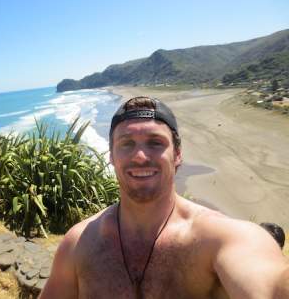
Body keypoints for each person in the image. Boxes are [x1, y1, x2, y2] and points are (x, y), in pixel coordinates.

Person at [39, 96, 289, 299]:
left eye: (155, 143)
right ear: (112, 157)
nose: (139, 156)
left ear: (177, 154)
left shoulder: (220, 238)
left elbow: (270, 285)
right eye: (126, 144)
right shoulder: (78, 243)